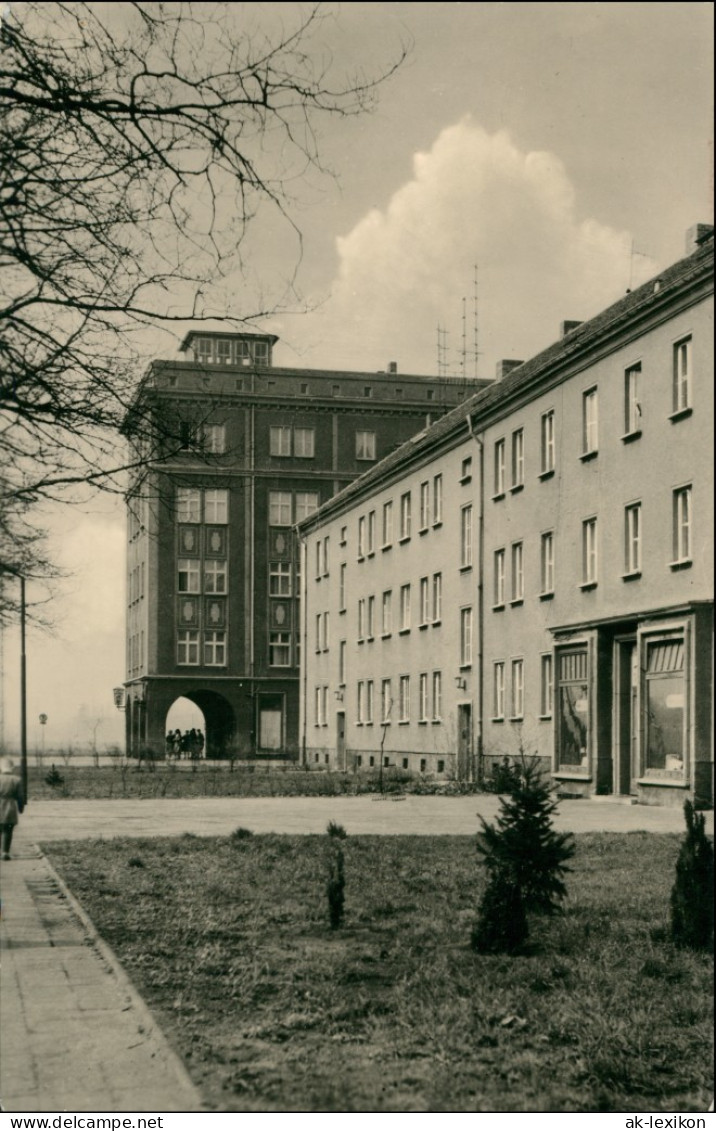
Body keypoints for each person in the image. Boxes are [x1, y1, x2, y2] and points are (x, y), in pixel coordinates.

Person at [0, 757, 25, 861]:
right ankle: (5, 852)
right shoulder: (17, 780)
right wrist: (20, 807)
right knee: (8, 830)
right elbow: (20, 796)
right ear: (12, 767)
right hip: (10, 806)